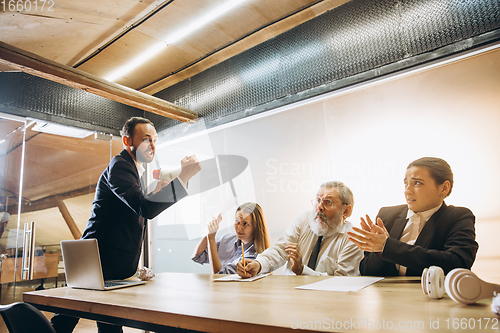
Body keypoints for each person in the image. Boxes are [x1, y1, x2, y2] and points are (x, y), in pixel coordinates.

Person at [51, 117, 201, 333]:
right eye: (145, 139)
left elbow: (136, 208)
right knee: (66, 321)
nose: (152, 145)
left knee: (107, 325)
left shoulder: (132, 171)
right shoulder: (120, 165)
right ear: (126, 141)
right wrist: (183, 177)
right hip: (95, 261)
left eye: (155, 140)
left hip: (106, 264)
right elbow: (145, 208)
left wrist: (156, 193)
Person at [347, 157, 478, 277]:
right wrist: (379, 251)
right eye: (406, 183)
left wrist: (389, 247)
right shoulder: (386, 215)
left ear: (444, 188)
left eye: (417, 183)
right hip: (388, 297)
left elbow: (458, 264)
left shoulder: (458, 217)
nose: (407, 191)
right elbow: (366, 271)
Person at [237, 181, 363, 278]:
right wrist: (258, 264)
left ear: (346, 211)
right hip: (290, 296)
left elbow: (342, 282)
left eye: (328, 202)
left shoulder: (353, 238)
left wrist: (302, 270)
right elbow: (281, 250)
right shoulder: (305, 219)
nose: (319, 207)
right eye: (318, 200)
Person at [192, 202, 270, 274]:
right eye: (237, 221)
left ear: (256, 227)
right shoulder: (227, 239)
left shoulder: (255, 256)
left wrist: (211, 239)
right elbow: (198, 256)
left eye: (245, 224)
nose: (239, 228)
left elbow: (220, 274)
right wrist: (210, 230)